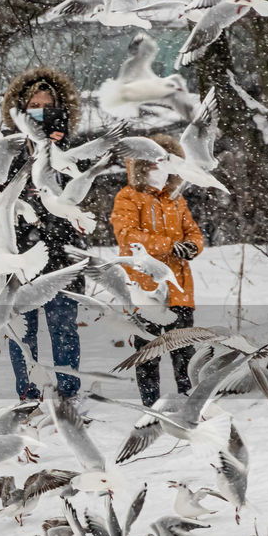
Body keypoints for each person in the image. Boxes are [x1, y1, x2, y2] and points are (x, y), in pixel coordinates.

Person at [0, 66, 86, 400]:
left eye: (47, 107)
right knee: (22, 330)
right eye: (33, 108)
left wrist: (56, 150)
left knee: (64, 328)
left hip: (60, 254)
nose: (40, 114)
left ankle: (68, 395)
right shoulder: (5, 152)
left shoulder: (68, 154)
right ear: (20, 113)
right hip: (17, 254)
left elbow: (76, 205)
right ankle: (28, 394)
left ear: (61, 111)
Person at [110, 134, 205, 406]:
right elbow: (127, 236)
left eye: (165, 160)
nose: (158, 166)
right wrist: (170, 246)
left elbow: (194, 233)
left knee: (184, 351)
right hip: (145, 290)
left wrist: (191, 247)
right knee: (148, 352)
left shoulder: (176, 198)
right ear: (142, 162)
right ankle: (151, 407)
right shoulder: (128, 196)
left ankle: (189, 404)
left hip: (179, 289)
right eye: (153, 160)